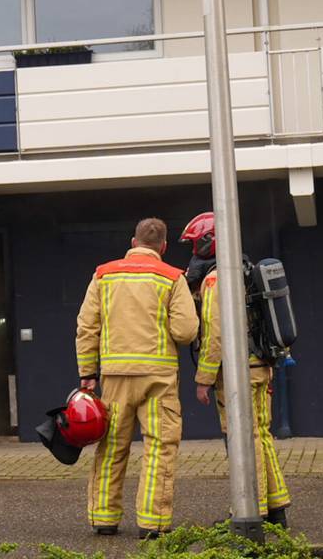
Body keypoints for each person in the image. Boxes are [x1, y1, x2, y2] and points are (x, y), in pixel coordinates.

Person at [75, 218, 199, 539]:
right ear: (164, 246)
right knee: (159, 447)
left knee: (112, 446)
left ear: (134, 242)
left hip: (114, 378)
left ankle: (103, 519)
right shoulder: (172, 278)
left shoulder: (103, 275)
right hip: (158, 379)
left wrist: (88, 374)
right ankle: (152, 523)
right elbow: (185, 332)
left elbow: (87, 327)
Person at [180, 212, 292, 527]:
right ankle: (276, 506)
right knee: (261, 435)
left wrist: (203, 378)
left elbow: (215, 335)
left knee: (244, 439)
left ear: (207, 243)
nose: (192, 254)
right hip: (258, 366)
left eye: (194, 246)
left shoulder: (217, 279)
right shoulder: (244, 270)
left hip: (235, 373)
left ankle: (249, 511)